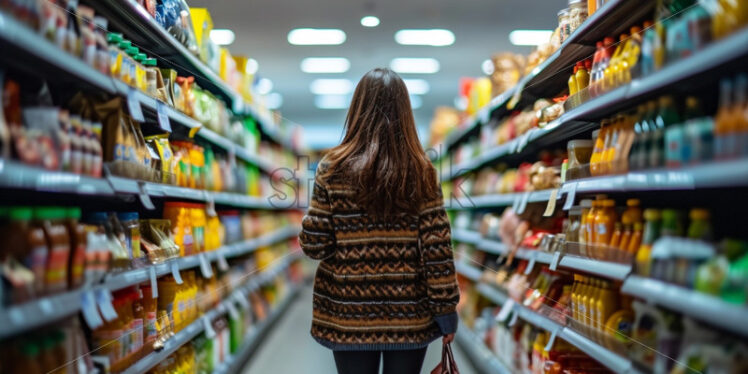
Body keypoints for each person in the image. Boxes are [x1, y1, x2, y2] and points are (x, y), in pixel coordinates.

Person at [299, 67, 460, 374]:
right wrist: (446, 311)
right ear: (405, 112)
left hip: (348, 315)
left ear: (357, 109)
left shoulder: (331, 167)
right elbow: (437, 250)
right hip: (410, 317)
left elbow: (315, 245)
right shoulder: (422, 170)